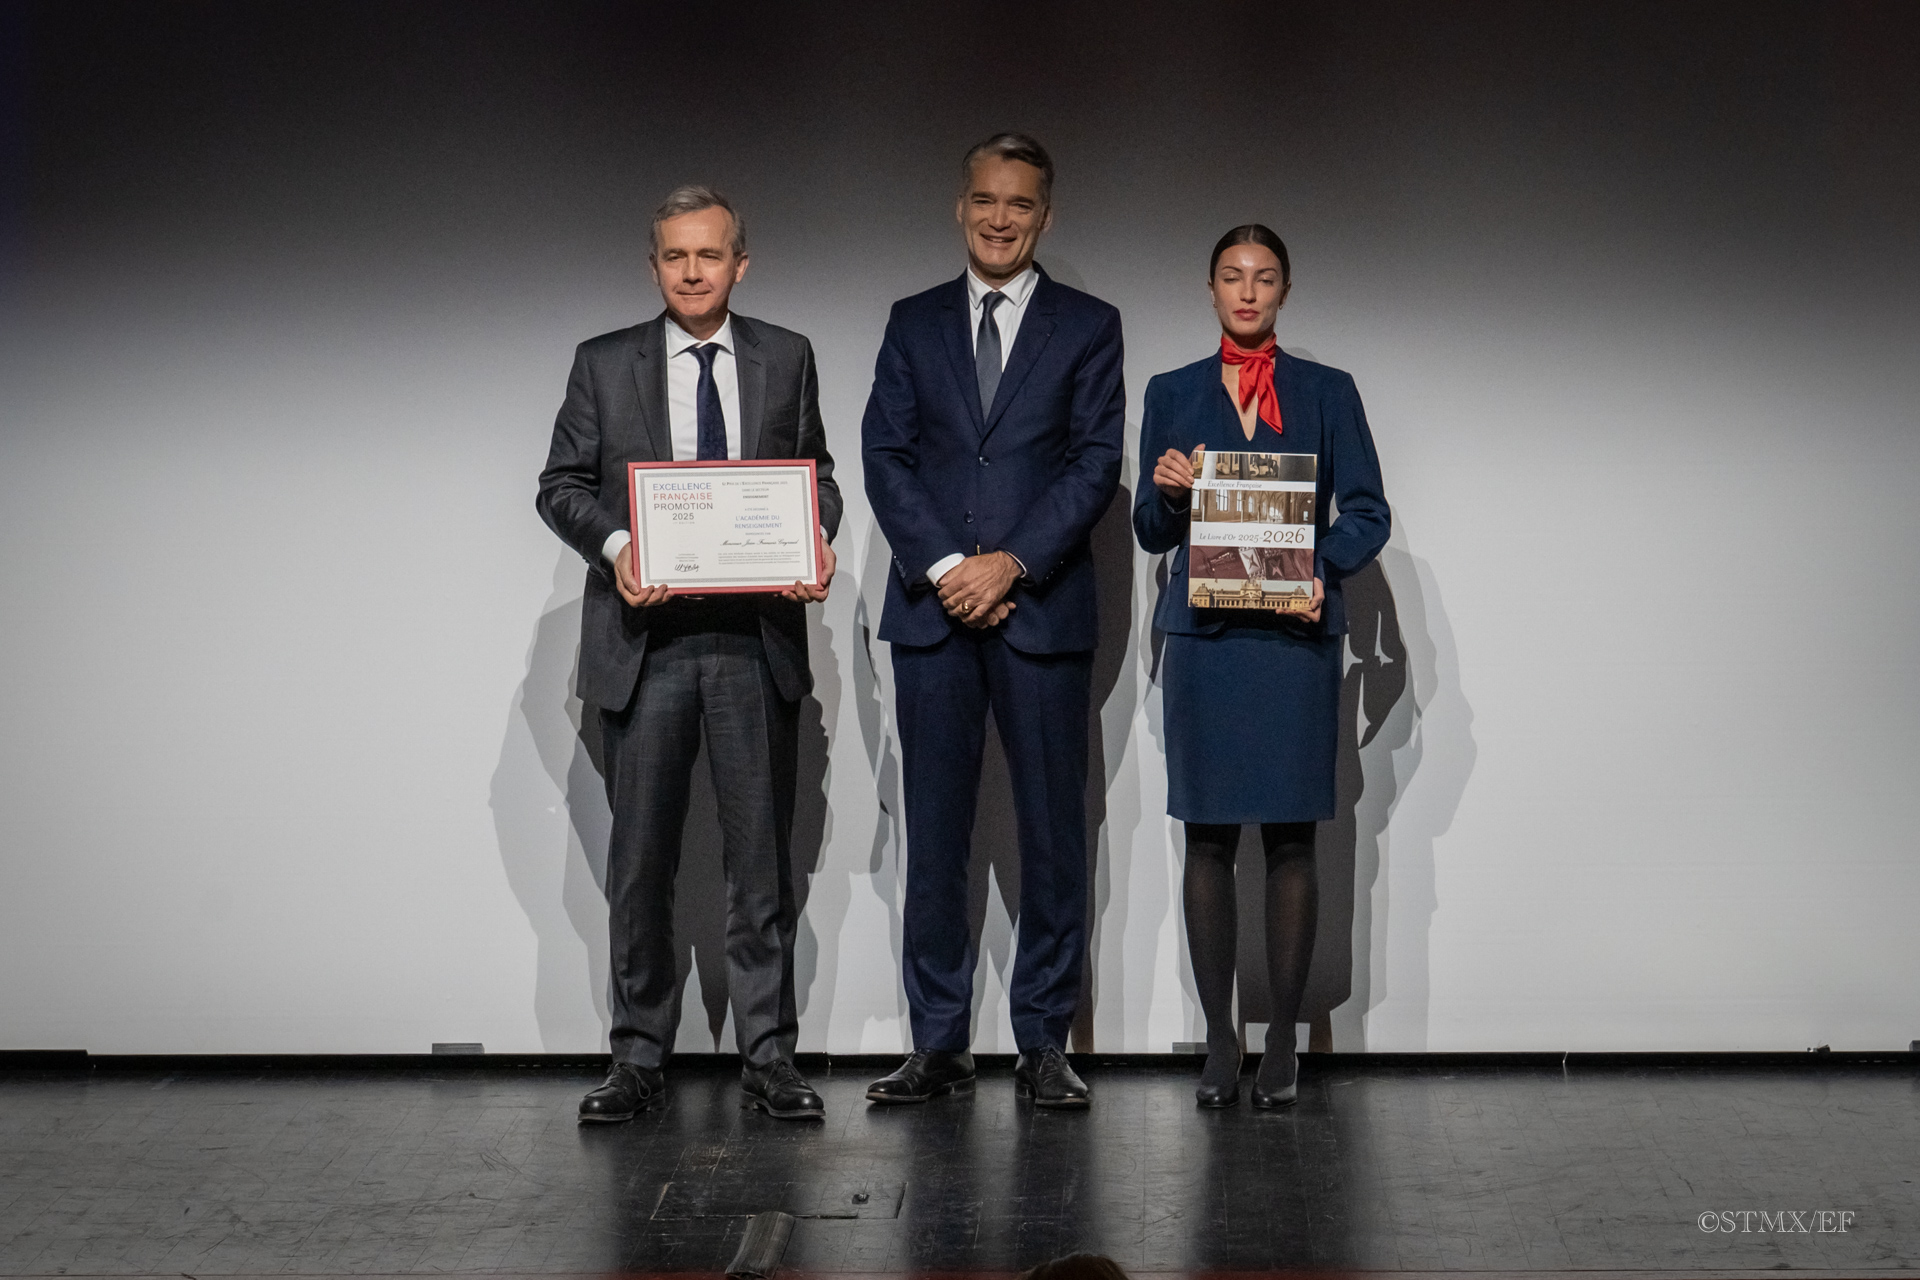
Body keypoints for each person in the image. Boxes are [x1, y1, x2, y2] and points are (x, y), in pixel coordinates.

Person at [536, 186, 842, 1123]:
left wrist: (815, 535)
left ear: (740, 264)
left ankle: (769, 1057)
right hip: (648, 642)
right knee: (642, 864)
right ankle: (636, 1058)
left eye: (711, 256)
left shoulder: (786, 356)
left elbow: (817, 477)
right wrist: (623, 549)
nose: (694, 272)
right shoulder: (604, 363)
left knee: (761, 867)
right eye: (677, 257)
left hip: (752, 642)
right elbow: (560, 486)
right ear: (655, 264)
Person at [860, 133, 1125, 1109]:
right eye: (984, 200)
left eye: (1019, 203)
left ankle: (1044, 1041)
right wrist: (945, 567)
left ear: (1045, 215)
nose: (1000, 217)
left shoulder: (1089, 325)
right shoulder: (913, 320)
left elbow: (1095, 461)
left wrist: (1008, 561)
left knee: (1053, 835)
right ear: (960, 207)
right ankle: (937, 1041)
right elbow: (885, 455)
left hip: (1041, 610)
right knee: (935, 836)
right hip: (934, 615)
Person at [1132, 224, 1389, 1109]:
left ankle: (1280, 1036)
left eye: (1265, 278)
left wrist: (1315, 568)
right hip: (1207, 640)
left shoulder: (1327, 391)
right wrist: (1167, 492)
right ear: (1210, 289)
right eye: (1232, 278)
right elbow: (1149, 530)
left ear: (1285, 291)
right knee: (1206, 836)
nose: (1247, 293)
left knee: (1290, 836)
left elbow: (1368, 512)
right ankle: (1217, 1038)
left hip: (1289, 641)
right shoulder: (1170, 391)